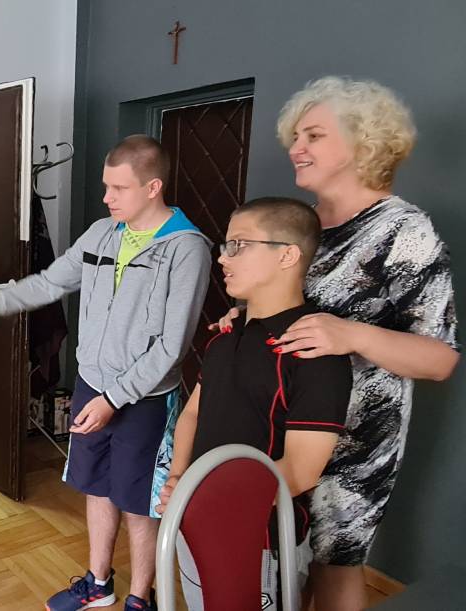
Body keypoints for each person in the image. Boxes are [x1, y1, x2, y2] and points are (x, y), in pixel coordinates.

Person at [217, 77, 459, 610]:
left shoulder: (404, 230)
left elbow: (440, 359)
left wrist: (350, 333)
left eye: (314, 135)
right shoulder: (301, 226)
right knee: (277, 562)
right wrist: (243, 319)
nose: (296, 148)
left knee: (332, 566)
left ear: (363, 142)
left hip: (352, 443)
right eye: (295, 137)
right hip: (278, 425)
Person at [0, 135, 212, 611]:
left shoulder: (186, 249)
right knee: (96, 486)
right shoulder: (101, 233)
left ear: (153, 187)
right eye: (105, 186)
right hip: (92, 384)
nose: (107, 197)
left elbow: (171, 347)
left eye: (118, 188)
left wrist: (114, 399)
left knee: (138, 500)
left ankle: (140, 597)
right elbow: (49, 283)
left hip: (145, 399)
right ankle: (98, 582)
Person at [157, 197, 352, 610]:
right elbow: (193, 414)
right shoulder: (224, 338)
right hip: (196, 518)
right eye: (225, 245)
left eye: (239, 245)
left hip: (259, 538)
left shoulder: (314, 353)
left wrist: (205, 497)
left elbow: (301, 470)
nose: (223, 258)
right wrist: (178, 480)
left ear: (287, 255)